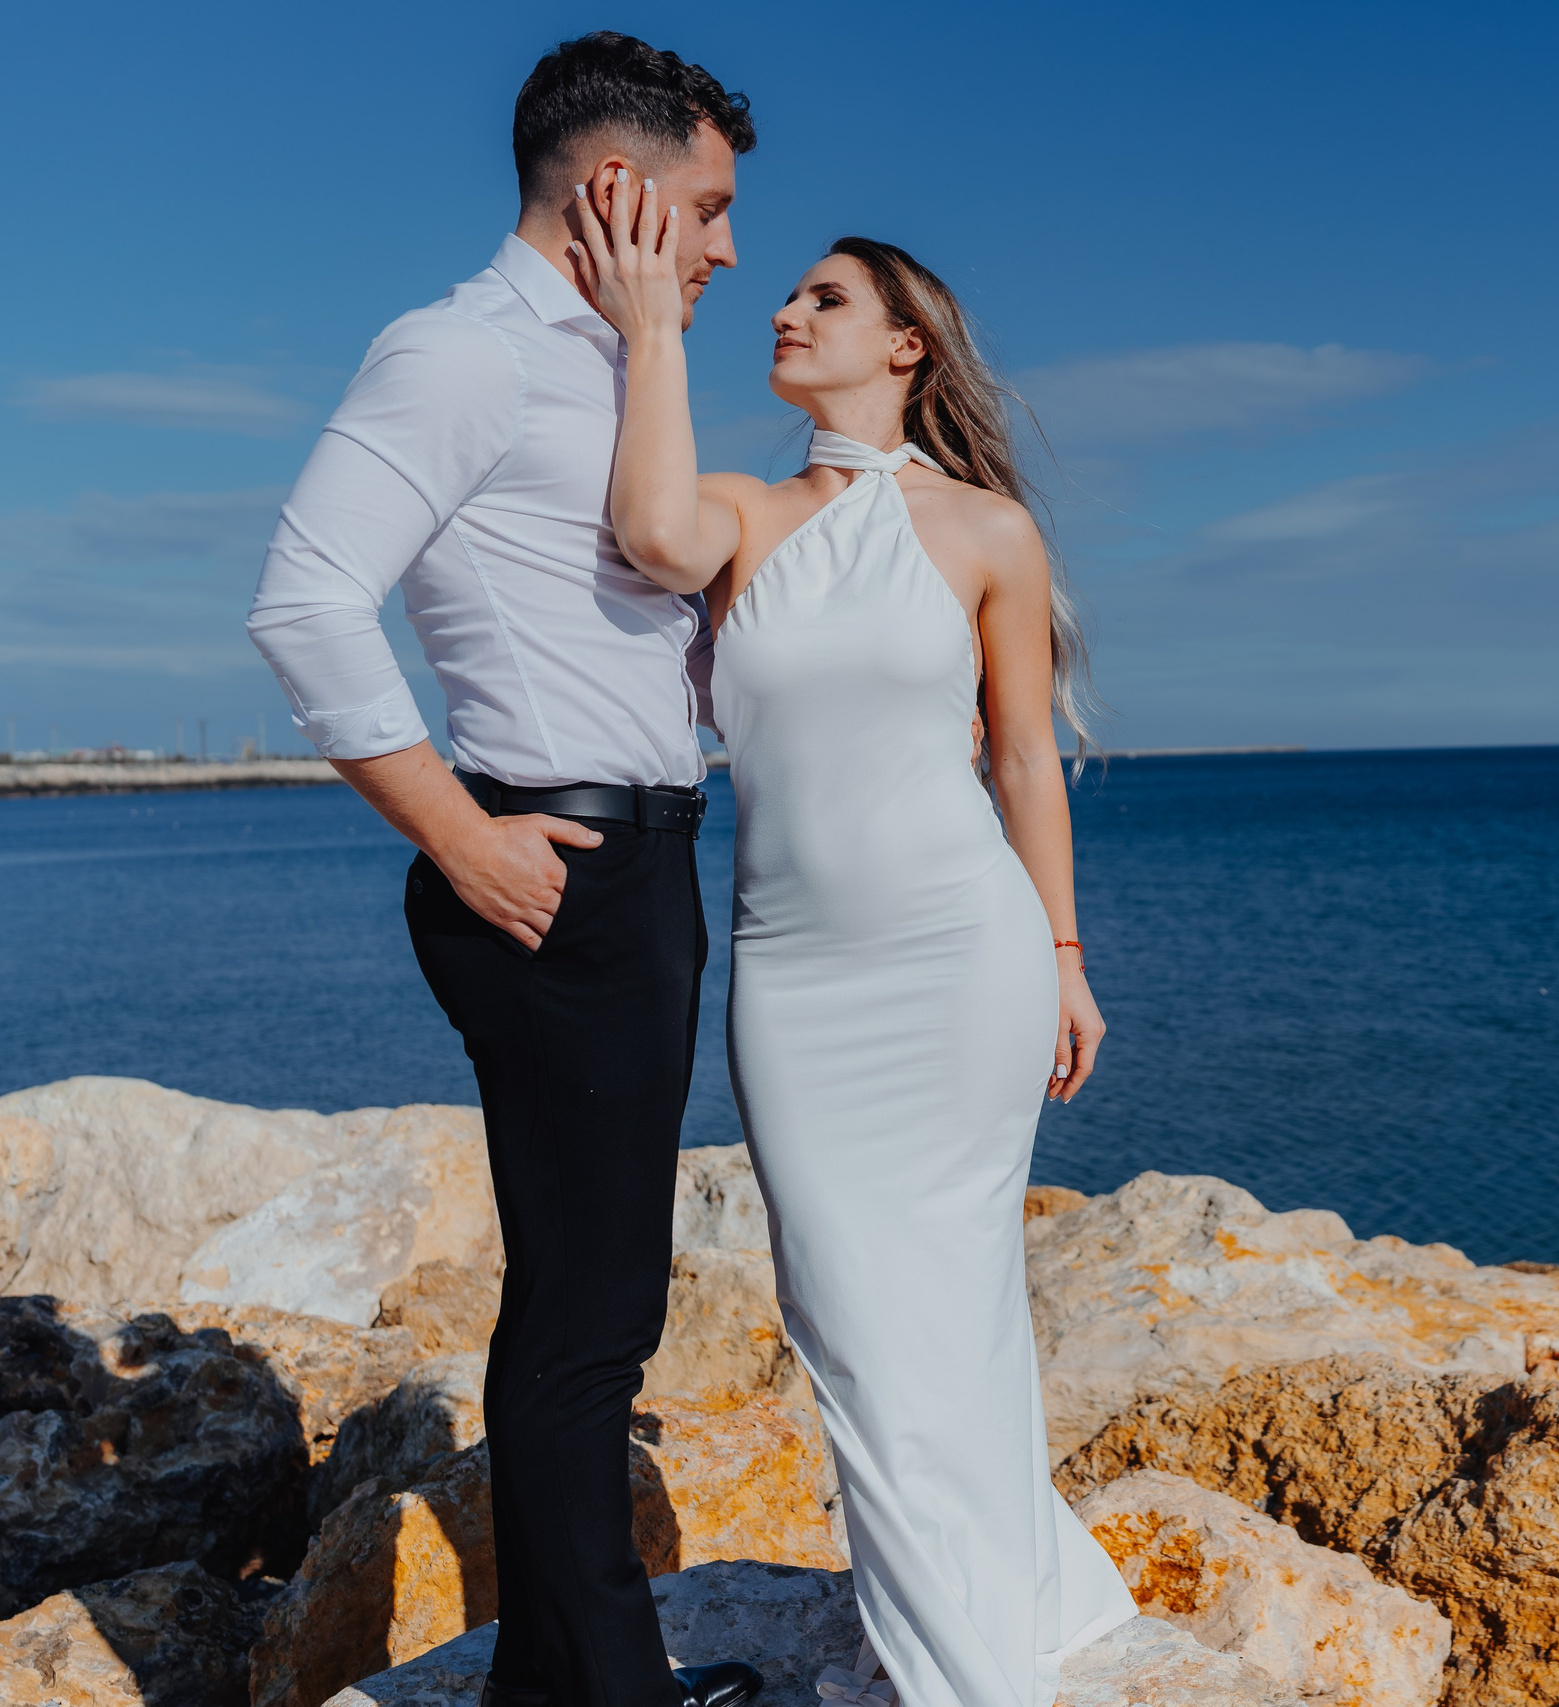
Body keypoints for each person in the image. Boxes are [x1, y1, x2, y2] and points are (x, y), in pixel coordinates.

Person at [244, 35, 765, 1707]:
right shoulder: (463, 353)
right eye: (709, 204)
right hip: (556, 867)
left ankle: (549, 1690)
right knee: (593, 1331)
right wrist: (458, 836)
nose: (730, 245)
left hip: (638, 862)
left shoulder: (630, 363)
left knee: (576, 1306)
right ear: (614, 187)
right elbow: (305, 600)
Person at [569, 176, 1137, 1707]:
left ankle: (964, 1666)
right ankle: (1011, 1602)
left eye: (825, 297)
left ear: (906, 349)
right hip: (800, 979)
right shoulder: (747, 516)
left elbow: (1023, 761)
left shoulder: (987, 532)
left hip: (967, 959)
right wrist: (645, 335)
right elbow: (645, 525)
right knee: (847, 1309)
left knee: (952, 1301)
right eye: (788, 292)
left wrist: (1067, 958)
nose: (786, 307)